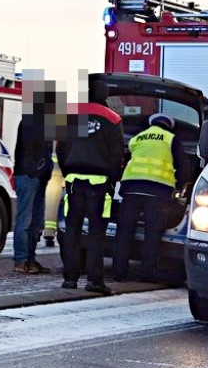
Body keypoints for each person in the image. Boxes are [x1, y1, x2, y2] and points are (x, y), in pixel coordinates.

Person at [56, 78, 124, 295]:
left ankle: (70, 279)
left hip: (74, 183)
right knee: (96, 233)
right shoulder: (113, 119)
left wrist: (68, 174)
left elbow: (61, 149)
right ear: (105, 96)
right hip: (99, 185)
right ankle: (94, 281)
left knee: (72, 232)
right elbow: (117, 155)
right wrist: (113, 180)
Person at [113, 113, 186, 283]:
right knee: (151, 233)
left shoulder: (137, 138)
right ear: (169, 126)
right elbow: (183, 166)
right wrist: (180, 187)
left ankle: (119, 272)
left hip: (131, 189)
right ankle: (146, 273)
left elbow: (125, 159)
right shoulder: (171, 139)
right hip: (157, 192)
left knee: (124, 231)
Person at [12, 81, 57, 274]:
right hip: (29, 177)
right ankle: (21, 260)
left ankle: (30, 259)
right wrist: (39, 170)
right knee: (25, 221)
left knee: (35, 222)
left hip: (37, 178)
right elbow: (30, 153)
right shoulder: (32, 122)